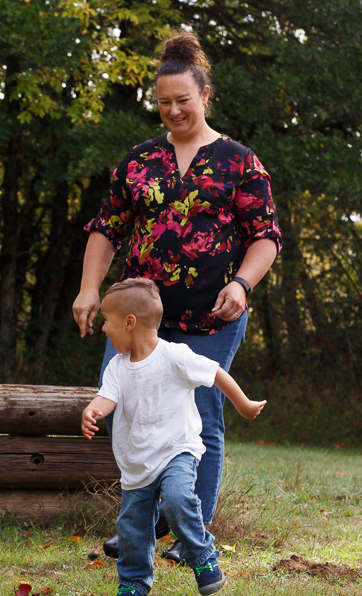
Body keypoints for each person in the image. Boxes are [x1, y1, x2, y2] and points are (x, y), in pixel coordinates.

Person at [72, 31, 281, 562]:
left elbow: (265, 236)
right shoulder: (138, 162)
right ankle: (140, 528)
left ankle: (191, 536)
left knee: (202, 413)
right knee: (126, 410)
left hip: (211, 316)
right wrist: (89, 289)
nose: (173, 111)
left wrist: (242, 282)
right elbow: (106, 229)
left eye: (183, 101)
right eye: (163, 103)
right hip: (138, 318)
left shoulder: (239, 162)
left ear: (205, 96)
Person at [81, 279, 266, 596]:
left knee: (179, 499)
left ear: (130, 322)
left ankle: (203, 557)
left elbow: (215, 373)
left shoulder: (175, 356)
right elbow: (107, 398)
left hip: (177, 450)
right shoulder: (116, 366)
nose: (103, 330)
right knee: (132, 528)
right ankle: (134, 582)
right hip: (138, 462)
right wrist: (92, 410)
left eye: (107, 322)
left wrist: (243, 404)